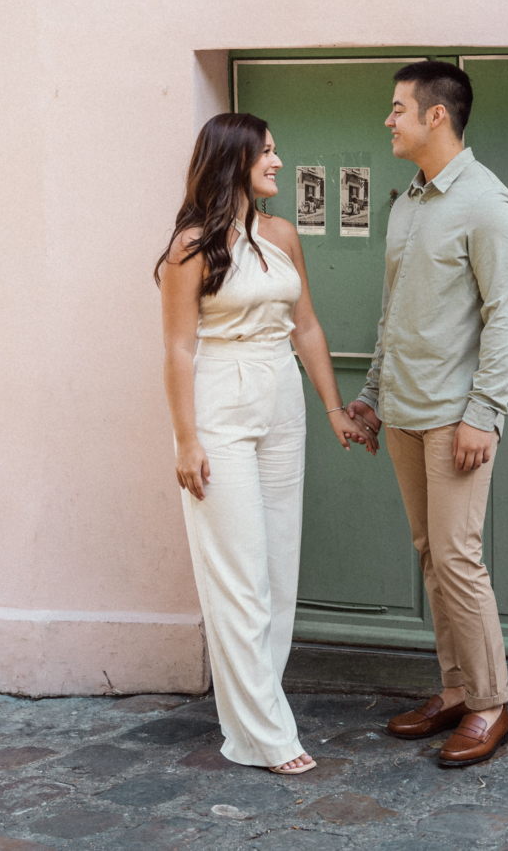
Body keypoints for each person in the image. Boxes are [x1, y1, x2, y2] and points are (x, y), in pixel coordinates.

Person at [157, 113, 373, 775]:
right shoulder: (188, 249)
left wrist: (333, 407)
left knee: (278, 570)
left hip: (280, 397)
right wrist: (187, 440)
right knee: (238, 572)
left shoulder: (282, 234)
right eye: (268, 153)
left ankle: (257, 718)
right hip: (220, 401)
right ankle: (267, 736)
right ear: (234, 161)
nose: (279, 162)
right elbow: (177, 346)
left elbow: (305, 325)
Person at [347, 61, 508, 768]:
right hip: (405, 413)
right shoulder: (408, 204)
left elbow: (507, 318)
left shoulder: (488, 203)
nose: (387, 119)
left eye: (397, 108)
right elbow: (394, 316)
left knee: (458, 559)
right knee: (431, 555)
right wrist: (370, 394)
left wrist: (485, 412)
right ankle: (456, 690)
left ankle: (490, 704)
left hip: (458, 419)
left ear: (436, 117)